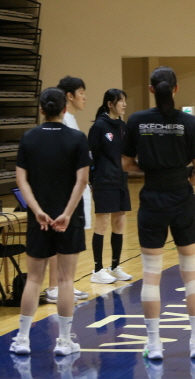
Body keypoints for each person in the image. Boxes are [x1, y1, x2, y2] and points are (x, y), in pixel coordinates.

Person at [122, 66, 195, 359]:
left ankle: (154, 344)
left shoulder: (136, 120)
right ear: (176, 89)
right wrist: (191, 177)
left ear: (151, 89)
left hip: (152, 200)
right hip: (182, 199)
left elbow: (126, 163)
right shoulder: (189, 121)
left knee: (150, 275)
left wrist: (148, 169)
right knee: (192, 274)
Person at [10, 87, 90, 356]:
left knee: (34, 279)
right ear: (64, 109)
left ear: (42, 109)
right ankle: (64, 342)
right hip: (69, 219)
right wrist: (67, 213)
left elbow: (21, 180)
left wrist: (36, 211)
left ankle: (22, 339)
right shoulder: (78, 138)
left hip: (39, 220)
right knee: (66, 280)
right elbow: (82, 180)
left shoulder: (29, 138)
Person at [42, 76, 90, 303]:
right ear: (69, 97)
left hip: (72, 192)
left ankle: (64, 285)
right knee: (59, 238)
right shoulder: (64, 123)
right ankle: (54, 286)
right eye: (81, 92)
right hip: (65, 192)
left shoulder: (71, 121)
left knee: (67, 244)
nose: (84, 97)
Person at [88, 88, 132, 284]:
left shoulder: (123, 126)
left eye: (124, 101)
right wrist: (92, 179)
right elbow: (91, 155)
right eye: (120, 101)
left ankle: (114, 266)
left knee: (120, 222)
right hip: (104, 181)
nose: (124, 104)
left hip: (120, 180)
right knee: (103, 223)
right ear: (110, 104)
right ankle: (97, 270)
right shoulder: (99, 126)